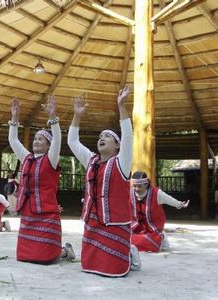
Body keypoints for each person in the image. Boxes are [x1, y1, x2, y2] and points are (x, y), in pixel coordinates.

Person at [67, 84, 140, 277]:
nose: (102, 138)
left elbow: (128, 137)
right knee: (89, 266)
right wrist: (77, 115)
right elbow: (72, 142)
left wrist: (122, 106)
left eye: (107, 136)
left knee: (114, 269)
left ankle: (130, 252)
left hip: (115, 222)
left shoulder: (122, 162)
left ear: (117, 145)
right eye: (100, 136)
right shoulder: (91, 160)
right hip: (93, 221)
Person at [8, 96, 75, 264]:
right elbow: (13, 140)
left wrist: (53, 118)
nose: (36, 141)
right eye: (35, 139)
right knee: (24, 257)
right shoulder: (26, 158)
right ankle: (64, 251)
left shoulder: (51, 158)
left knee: (46, 258)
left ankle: (65, 252)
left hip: (47, 213)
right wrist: (15, 118)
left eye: (41, 139)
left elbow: (58, 140)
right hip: (28, 212)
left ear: (48, 144)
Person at [130, 171, 190, 252]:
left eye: (139, 186)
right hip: (135, 227)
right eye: (134, 186)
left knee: (149, 243)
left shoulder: (156, 193)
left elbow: (169, 200)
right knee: (125, 240)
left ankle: (161, 237)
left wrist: (180, 204)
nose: (137, 189)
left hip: (152, 228)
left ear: (146, 184)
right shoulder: (129, 193)